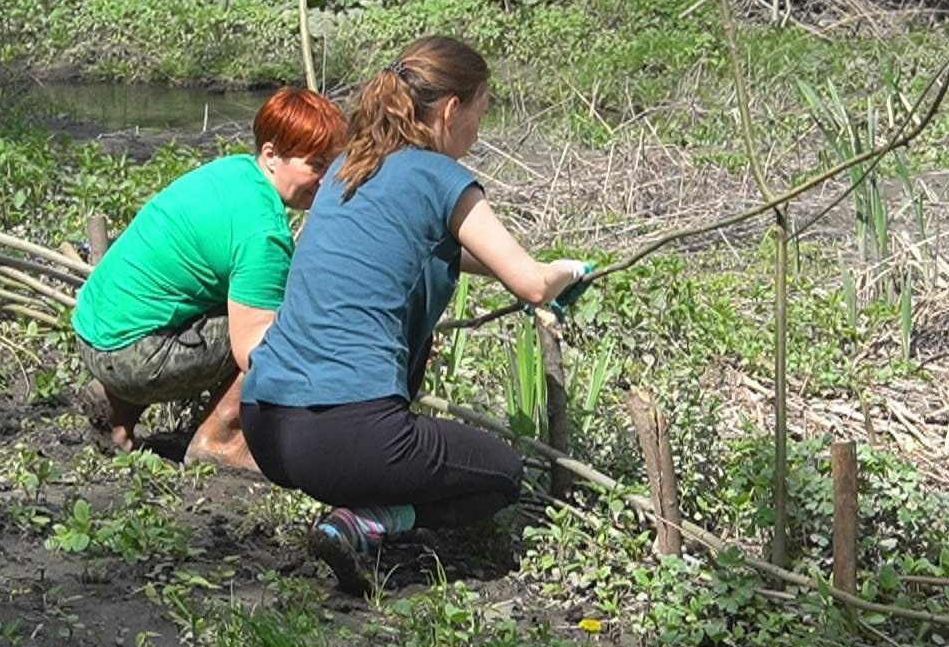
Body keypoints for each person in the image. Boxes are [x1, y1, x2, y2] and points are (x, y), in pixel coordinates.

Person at [242, 35, 590, 594]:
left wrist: (521, 268)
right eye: (481, 112)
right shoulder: (440, 177)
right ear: (452, 110)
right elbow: (529, 282)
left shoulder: (348, 168)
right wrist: (568, 271)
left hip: (265, 423)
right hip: (343, 434)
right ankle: (363, 522)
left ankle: (355, 500)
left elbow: (423, 247)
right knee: (501, 473)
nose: (479, 130)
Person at [73, 87, 346, 469]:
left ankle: (118, 410)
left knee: (237, 298)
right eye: (316, 165)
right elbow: (255, 350)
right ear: (270, 155)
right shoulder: (263, 233)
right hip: (128, 355)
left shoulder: (235, 171)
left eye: (332, 166)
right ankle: (222, 439)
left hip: (94, 331)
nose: (326, 180)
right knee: (295, 325)